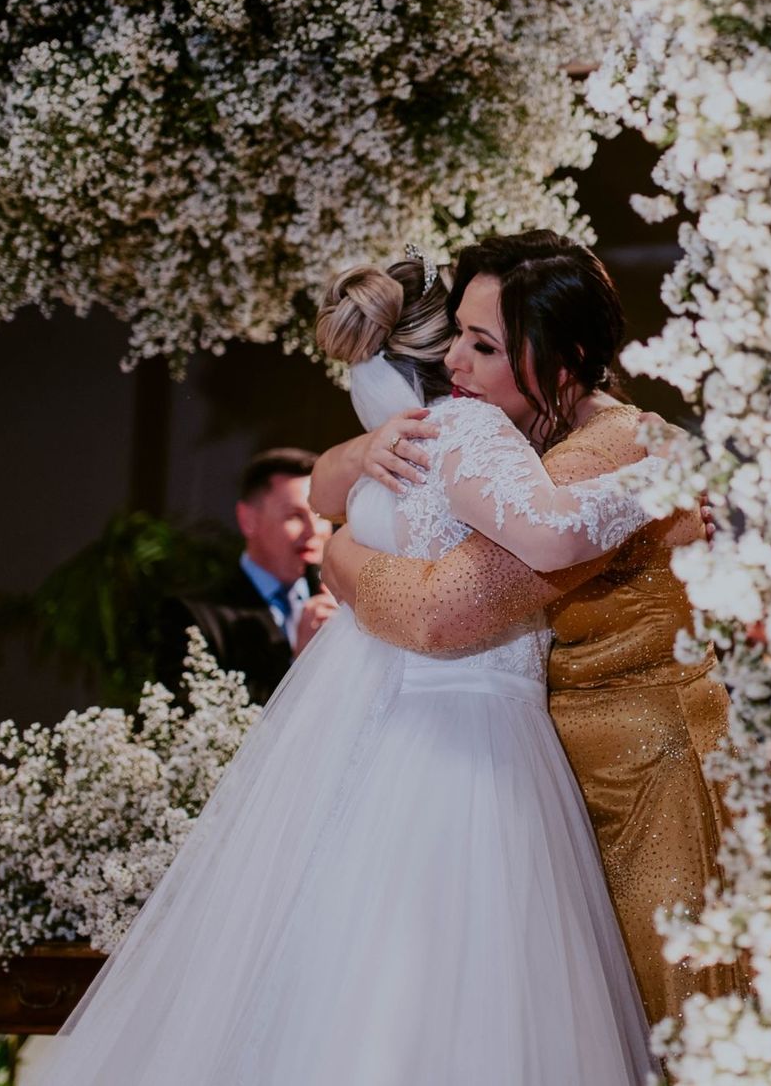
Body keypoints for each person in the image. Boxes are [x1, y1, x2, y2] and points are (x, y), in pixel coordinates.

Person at [27, 255, 659, 1086]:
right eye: (465, 344)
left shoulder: (392, 445)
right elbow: (534, 543)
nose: (470, 364)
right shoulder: (470, 429)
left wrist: (344, 516)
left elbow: (329, 491)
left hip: (370, 725)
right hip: (471, 743)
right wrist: (666, 475)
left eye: (487, 344)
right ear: (441, 362)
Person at [317, 231, 748, 1027]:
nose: (454, 366)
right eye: (457, 338)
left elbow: (443, 610)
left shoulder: (608, 447)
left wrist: (339, 556)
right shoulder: (536, 440)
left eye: (483, 346)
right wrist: (356, 458)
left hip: (652, 780)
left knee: (684, 1025)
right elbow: (332, 476)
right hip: (586, 777)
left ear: (565, 356)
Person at [155, 448, 336, 706]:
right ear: (248, 519)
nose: (313, 530)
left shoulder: (343, 599)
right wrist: (299, 664)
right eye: (295, 516)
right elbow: (195, 721)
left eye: (320, 514)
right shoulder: (192, 615)